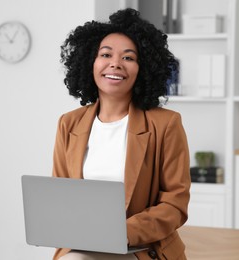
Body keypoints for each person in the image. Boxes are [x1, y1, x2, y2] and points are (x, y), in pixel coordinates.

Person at [52, 8, 191, 260]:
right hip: (82, 244)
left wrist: (120, 232)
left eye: (128, 58)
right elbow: (60, 200)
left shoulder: (166, 124)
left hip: (140, 247)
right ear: (90, 63)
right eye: (105, 54)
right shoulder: (68, 124)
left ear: (142, 68)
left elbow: (175, 205)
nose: (115, 63)